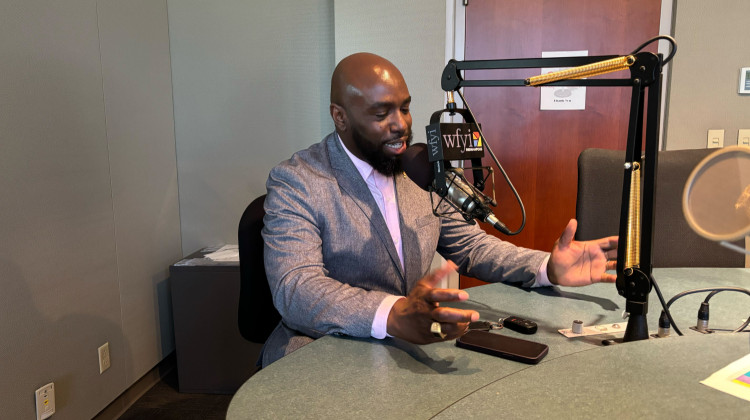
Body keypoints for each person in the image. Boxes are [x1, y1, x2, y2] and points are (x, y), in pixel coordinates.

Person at [260, 52, 617, 367]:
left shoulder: (420, 170)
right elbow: (296, 288)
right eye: (381, 113)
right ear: (340, 117)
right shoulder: (298, 181)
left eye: (404, 107)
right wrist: (392, 314)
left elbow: (471, 246)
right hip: (320, 346)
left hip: (403, 345)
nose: (400, 124)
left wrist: (544, 267)